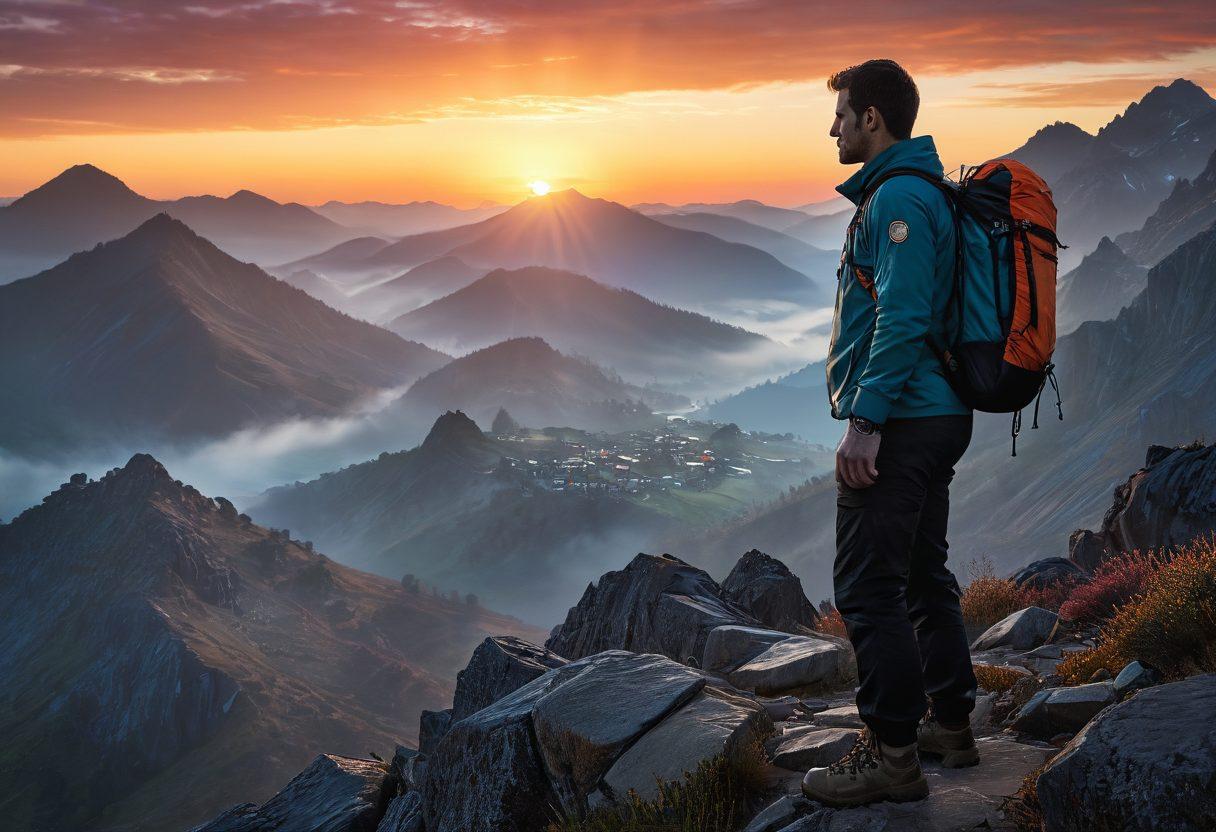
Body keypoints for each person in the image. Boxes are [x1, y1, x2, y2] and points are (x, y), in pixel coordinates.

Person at [801, 59, 980, 808]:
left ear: (872, 117)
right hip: (936, 415)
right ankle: (949, 725)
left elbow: (903, 318)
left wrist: (866, 423)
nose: (832, 126)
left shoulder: (899, 198)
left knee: (867, 586)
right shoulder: (910, 189)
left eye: (841, 113)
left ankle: (893, 754)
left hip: (904, 419)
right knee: (918, 574)